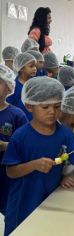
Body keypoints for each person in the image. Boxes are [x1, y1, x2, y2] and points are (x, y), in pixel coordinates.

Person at [2, 77, 74, 235]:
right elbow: (11, 171)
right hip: (23, 204)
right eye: (45, 107)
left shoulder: (64, 133)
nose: (52, 111)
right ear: (29, 106)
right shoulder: (20, 136)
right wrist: (33, 165)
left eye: (57, 106)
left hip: (51, 200)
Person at [0, 65, 28, 216]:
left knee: (8, 208)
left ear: (9, 87)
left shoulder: (16, 115)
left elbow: (25, 145)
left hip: (7, 173)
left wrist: (5, 146)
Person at [7, 52, 37, 119]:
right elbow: (10, 108)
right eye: (31, 66)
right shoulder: (13, 87)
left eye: (35, 66)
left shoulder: (36, 84)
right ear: (21, 68)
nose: (35, 68)